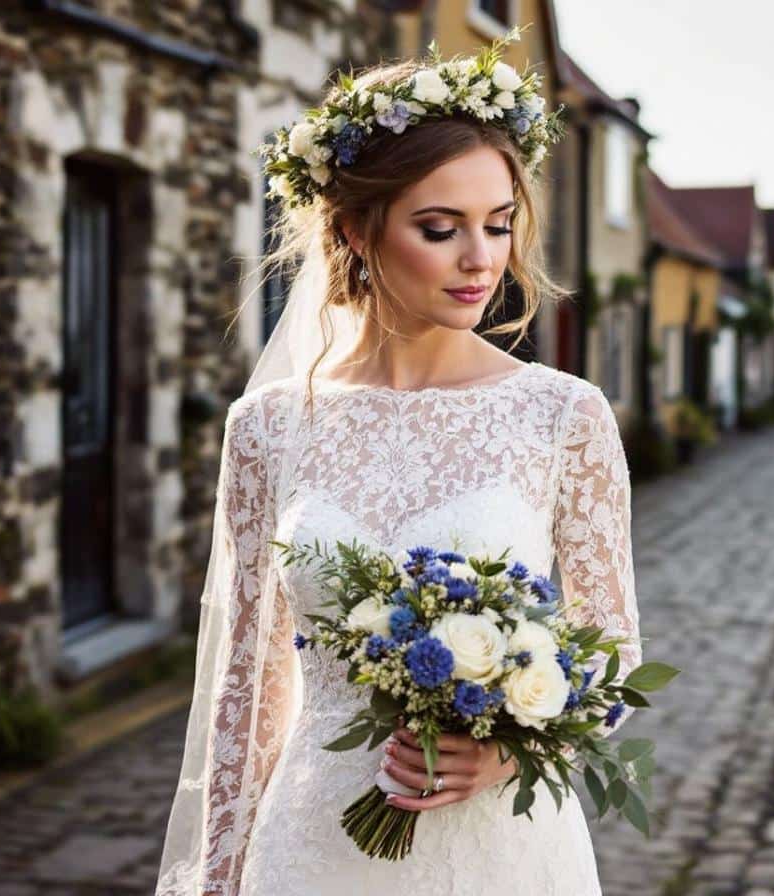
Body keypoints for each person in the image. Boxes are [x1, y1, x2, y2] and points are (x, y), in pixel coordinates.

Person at [154, 30, 641, 896]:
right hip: (312, 842)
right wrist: (216, 877)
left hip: (497, 848)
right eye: (440, 227)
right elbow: (246, 689)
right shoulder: (266, 426)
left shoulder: (562, 414)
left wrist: (504, 747)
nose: (481, 259)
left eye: (498, 225)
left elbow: (613, 656)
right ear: (356, 230)